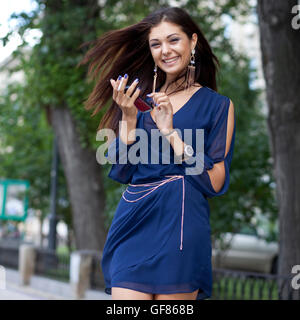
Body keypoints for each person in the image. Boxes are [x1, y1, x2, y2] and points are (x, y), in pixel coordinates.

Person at [78, 7, 236, 300]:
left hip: (181, 227)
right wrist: (127, 117)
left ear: (193, 41)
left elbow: (214, 181)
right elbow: (123, 170)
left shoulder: (218, 106)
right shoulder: (138, 101)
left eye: (173, 40)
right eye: (156, 44)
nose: (165, 50)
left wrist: (170, 133)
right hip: (134, 220)